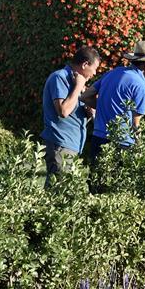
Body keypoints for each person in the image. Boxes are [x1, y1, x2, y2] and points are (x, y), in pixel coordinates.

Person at [80, 40, 145, 165]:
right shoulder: (140, 85)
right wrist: (141, 150)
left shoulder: (113, 73)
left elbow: (85, 96)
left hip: (98, 139)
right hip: (121, 144)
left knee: (96, 182)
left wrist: (105, 107)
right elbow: (135, 124)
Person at [41, 46, 101, 187]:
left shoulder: (75, 82)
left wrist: (88, 112)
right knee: (58, 193)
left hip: (71, 145)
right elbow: (63, 111)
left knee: (64, 193)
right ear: (85, 64)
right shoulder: (60, 77)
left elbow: (74, 111)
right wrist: (78, 86)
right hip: (60, 143)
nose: (95, 73)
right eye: (95, 68)